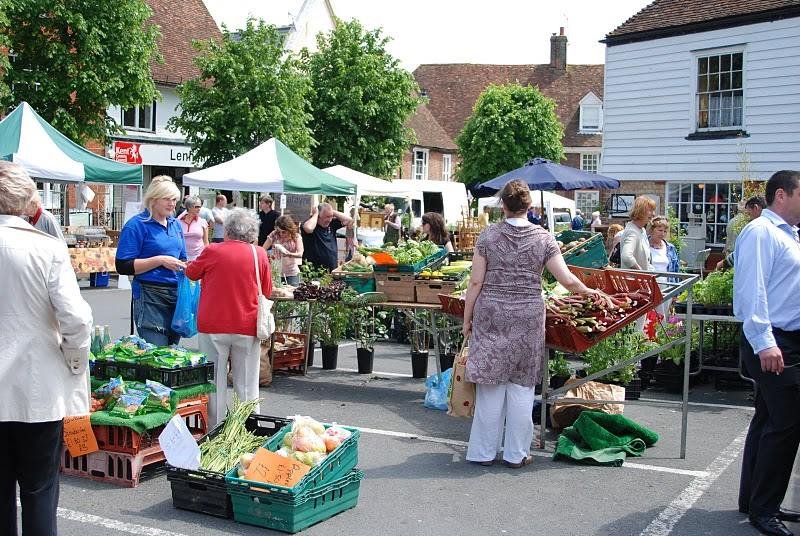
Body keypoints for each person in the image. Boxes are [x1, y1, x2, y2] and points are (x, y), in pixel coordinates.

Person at [462, 179, 603, 469]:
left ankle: (483, 452)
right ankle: (516, 454)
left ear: (502, 204)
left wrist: (467, 319)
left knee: (490, 384)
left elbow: (475, 282)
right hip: (527, 315)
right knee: (521, 386)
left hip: (492, 313)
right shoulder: (544, 238)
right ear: (530, 206)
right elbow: (567, 280)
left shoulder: (488, 237)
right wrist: (590, 292)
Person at [0, 161, 93, 536]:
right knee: (39, 489)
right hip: (36, 386)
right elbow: (76, 319)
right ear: (26, 201)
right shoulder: (45, 248)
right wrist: (74, 358)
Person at [734, 170, 800, 536]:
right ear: (782, 195)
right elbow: (751, 290)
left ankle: (755, 500)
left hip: (783, 337)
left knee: (768, 418)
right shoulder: (761, 232)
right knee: (787, 423)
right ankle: (765, 509)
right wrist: (765, 341)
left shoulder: (787, 234)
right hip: (774, 339)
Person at [186, 208, 272, 427]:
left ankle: (215, 428)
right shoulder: (258, 254)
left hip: (213, 324)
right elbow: (268, 290)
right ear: (252, 234)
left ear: (227, 230)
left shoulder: (212, 251)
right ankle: (248, 427)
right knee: (247, 384)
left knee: (214, 380)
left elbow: (191, 273)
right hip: (247, 323)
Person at [115, 176, 187, 346]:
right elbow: (123, 265)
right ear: (153, 200)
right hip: (149, 294)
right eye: (167, 199)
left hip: (175, 293)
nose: (172, 204)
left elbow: (183, 257)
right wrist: (159, 260)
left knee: (172, 352)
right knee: (157, 351)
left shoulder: (175, 224)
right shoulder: (136, 225)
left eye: (174, 199)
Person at [717, 196, 767, 271]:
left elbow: (743, 250)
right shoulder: (766, 225)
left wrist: (724, 263)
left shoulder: (752, 226)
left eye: (749, 213)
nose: (749, 217)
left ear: (756, 208)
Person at [301, 202, 354, 271]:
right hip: (313, 271)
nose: (329, 219)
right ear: (318, 216)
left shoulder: (332, 224)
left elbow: (349, 220)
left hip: (332, 269)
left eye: (331, 216)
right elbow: (309, 228)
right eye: (326, 217)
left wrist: (332, 212)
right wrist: (316, 214)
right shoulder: (310, 223)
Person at [648, 216, 680, 318]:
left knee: (663, 317)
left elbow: (675, 271)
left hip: (666, 286)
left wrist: (676, 293)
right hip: (650, 287)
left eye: (665, 231)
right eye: (660, 230)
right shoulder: (644, 245)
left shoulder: (670, 248)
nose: (662, 234)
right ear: (652, 230)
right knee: (649, 317)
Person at [263, 215, 304, 285]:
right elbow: (262, 250)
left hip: (292, 272)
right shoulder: (274, 234)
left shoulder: (296, 237)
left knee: (293, 293)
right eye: (279, 231)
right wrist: (268, 256)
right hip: (276, 272)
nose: (281, 234)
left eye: (284, 232)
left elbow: (300, 254)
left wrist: (289, 254)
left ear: (289, 229)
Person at [619, 196, 656, 271]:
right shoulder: (632, 232)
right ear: (640, 211)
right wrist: (640, 270)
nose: (653, 214)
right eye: (650, 210)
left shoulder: (641, 229)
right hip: (634, 281)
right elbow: (626, 257)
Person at [177, 195, 209, 261]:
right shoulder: (178, 222)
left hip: (199, 257)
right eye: (197, 207)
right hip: (182, 257)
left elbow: (206, 242)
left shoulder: (203, 222)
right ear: (189, 207)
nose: (199, 209)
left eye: (200, 207)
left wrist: (206, 257)